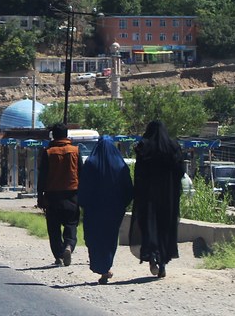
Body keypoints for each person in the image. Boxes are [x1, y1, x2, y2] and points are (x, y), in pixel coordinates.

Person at [128, 120, 186, 278]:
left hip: (148, 196)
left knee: (149, 226)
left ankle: (152, 256)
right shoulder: (173, 147)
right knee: (165, 228)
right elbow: (180, 171)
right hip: (168, 197)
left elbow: (138, 172)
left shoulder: (143, 147)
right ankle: (163, 262)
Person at [79, 137, 134, 283]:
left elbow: (83, 187)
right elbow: (128, 188)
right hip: (114, 210)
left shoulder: (90, 163)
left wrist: (83, 204)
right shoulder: (120, 165)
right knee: (110, 238)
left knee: (94, 237)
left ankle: (101, 267)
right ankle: (106, 267)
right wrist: (123, 204)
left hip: (93, 209)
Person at [37, 125, 81, 267]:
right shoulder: (75, 151)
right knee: (71, 224)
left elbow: (42, 176)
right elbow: (82, 173)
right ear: (66, 135)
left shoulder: (48, 152)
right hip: (72, 194)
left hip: (52, 195)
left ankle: (59, 256)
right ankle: (69, 246)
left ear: (53, 136)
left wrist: (40, 196)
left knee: (53, 227)